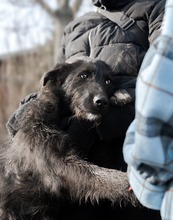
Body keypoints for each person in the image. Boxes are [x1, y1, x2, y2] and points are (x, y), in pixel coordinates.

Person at [6, 0, 166, 219]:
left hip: (122, 158)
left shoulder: (158, 9)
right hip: (72, 179)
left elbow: (163, 85)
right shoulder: (75, 26)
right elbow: (55, 84)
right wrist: (29, 109)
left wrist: (95, 127)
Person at [123, 0, 173, 219]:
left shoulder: (156, 7)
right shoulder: (76, 26)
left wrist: (143, 178)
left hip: (142, 156)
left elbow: (159, 90)